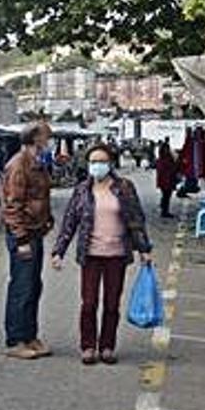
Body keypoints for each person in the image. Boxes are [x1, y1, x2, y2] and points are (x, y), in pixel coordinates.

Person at [51, 143, 153, 365]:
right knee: (88, 303)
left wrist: (144, 249)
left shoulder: (124, 187)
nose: (97, 166)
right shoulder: (81, 190)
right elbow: (69, 222)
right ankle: (88, 346)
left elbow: (136, 220)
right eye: (93, 162)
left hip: (117, 254)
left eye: (101, 161)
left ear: (110, 163)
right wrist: (58, 251)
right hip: (91, 254)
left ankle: (107, 346)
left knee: (111, 304)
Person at [0, 122, 54, 360]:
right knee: (22, 286)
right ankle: (16, 339)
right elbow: (12, 206)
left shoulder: (37, 164)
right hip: (23, 234)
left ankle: (30, 335)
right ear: (35, 139)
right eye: (47, 136)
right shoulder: (18, 166)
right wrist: (21, 238)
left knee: (33, 286)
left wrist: (46, 220)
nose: (50, 140)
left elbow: (39, 196)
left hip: (35, 232)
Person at [156, 141, 178, 218]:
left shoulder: (162, 158)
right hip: (166, 180)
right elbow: (171, 168)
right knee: (166, 196)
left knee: (166, 196)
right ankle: (164, 211)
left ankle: (164, 209)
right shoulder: (165, 159)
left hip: (166, 180)